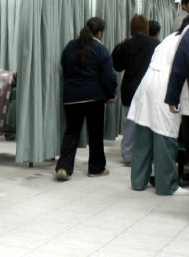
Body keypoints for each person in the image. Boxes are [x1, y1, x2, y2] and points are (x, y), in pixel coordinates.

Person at [129, 16, 189, 195]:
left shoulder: (168, 39)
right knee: (164, 138)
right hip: (165, 86)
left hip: (147, 85)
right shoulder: (184, 40)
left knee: (143, 136)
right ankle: (166, 186)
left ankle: (138, 182)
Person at [56, 17, 117, 181]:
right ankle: (96, 168)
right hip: (94, 97)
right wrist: (111, 94)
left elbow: (64, 65)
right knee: (95, 134)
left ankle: (64, 167)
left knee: (71, 132)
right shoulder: (100, 49)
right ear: (99, 32)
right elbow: (108, 76)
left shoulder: (70, 46)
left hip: (71, 97)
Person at [111, 14, 160, 165]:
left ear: (131, 28)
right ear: (146, 28)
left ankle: (128, 154)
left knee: (130, 122)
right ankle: (148, 155)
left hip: (130, 88)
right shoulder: (156, 44)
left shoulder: (125, 45)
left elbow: (117, 66)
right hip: (150, 88)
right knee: (150, 122)